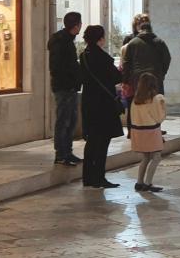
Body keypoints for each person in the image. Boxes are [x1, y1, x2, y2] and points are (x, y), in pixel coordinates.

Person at [79, 25, 125, 189]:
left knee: (92, 141)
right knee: (102, 142)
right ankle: (99, 177)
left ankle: (87, 177)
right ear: (100, 39)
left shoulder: (84, 56)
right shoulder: (102, 58)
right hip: (103, 104)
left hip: (89, 102)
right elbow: (116, 77)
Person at [48, 11, 83, 166]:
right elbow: (59, 67)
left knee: (71, 120)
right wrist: (72, 77)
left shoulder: (67, 40)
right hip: (64, 87)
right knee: (63, 120)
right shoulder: (61, 42)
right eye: (79, 23)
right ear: (76, 26)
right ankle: (61, 154)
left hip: (70, 86)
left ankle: (67, 152)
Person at [130, 72, 167, 193]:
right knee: (156, 157)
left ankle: (139, 182)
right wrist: (162, 104)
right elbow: (159, 118)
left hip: (138, 131)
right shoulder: (154, 99)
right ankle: (148, 183)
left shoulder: (135, 99)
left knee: (145, 157)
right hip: (151, 131)